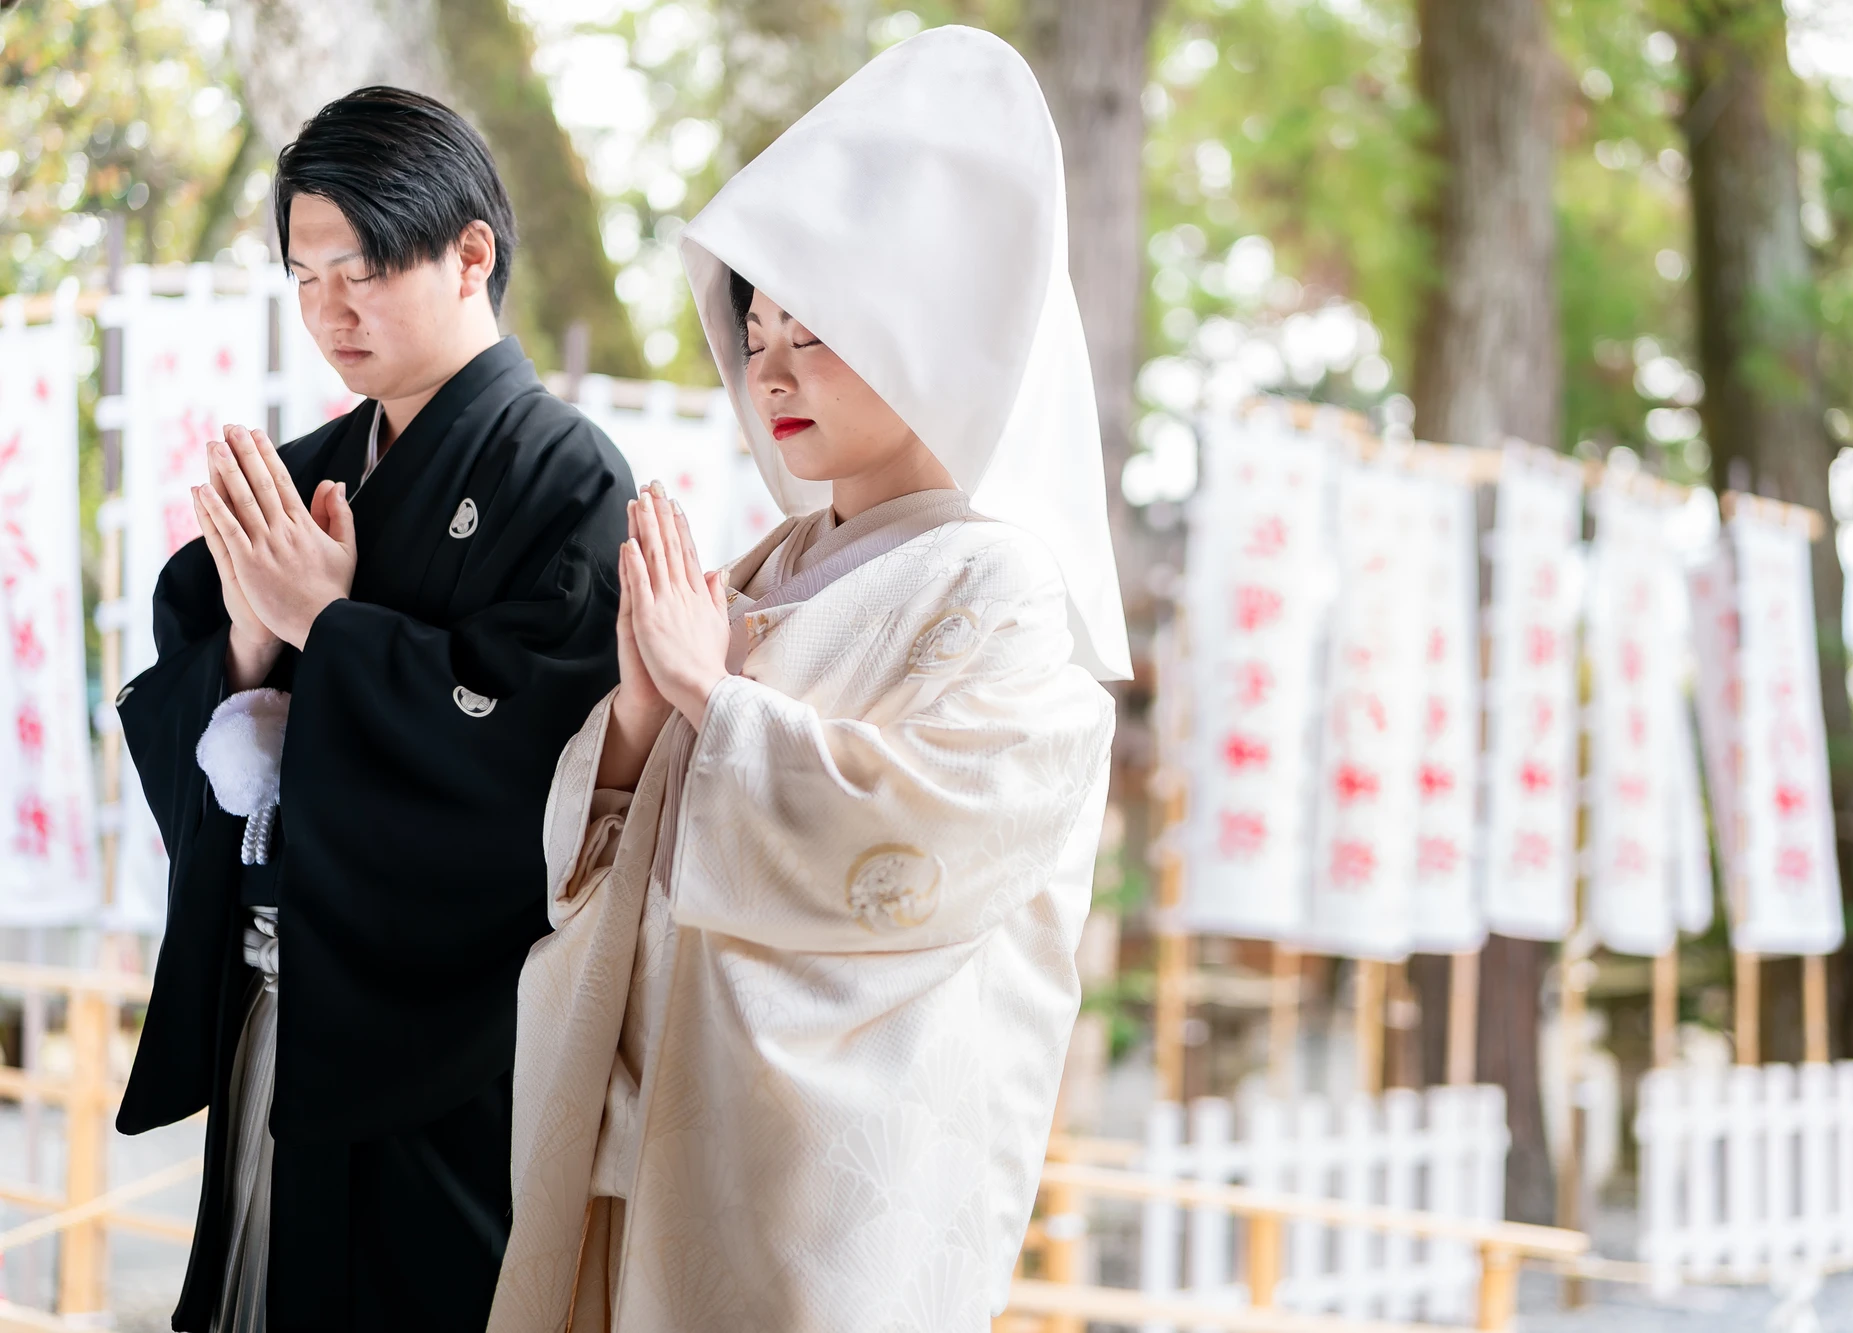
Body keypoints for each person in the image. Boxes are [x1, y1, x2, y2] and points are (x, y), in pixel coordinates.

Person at [489, 26, 1130, 1333]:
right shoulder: (768, 561)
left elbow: (934, 838)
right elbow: (618, 852)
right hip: (661, 1116)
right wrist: (636, 715)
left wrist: (714, 703)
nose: (769, 368)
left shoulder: (999, 584)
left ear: (927, 334)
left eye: (816, 333)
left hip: (810, 1183)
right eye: (758, 328)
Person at [115, 87, 632, 1332]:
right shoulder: (306, 473)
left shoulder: (564, 476)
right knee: (252, 1282)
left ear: (470, 254)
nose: (330, 309)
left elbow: (540, 758)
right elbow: (186, 682)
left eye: (363, 267)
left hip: (440, 1039)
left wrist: (331, 633)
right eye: (304, 275)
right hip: (273, 994)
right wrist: (248, 645)